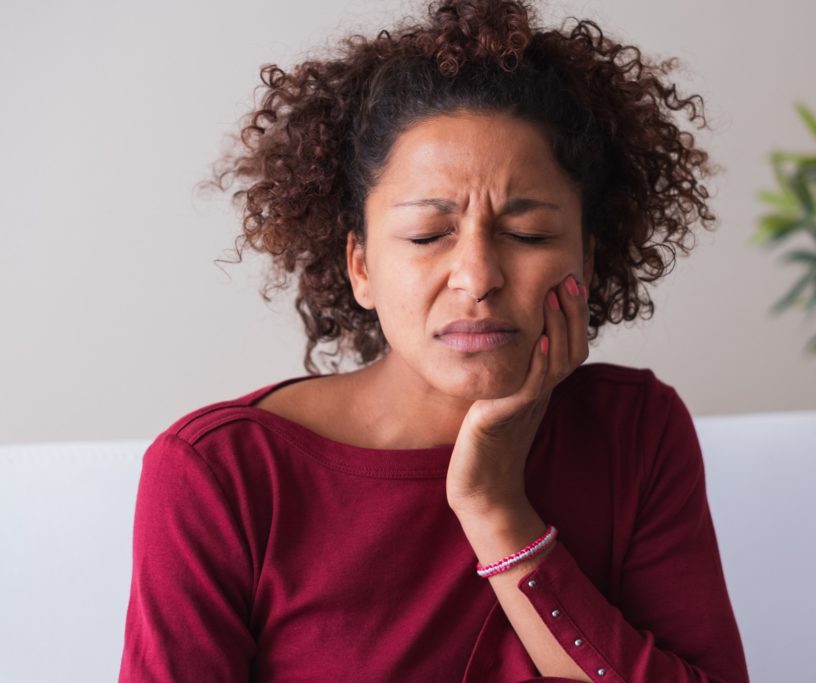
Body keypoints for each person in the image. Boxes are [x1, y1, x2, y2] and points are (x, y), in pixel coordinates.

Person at [118, 0, 749, 681]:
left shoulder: (634, 432)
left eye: (528, 233)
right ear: (360, 265)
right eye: (427, 235)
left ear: (587, 263)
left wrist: (496, 506)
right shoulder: (222, 477)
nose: (477, 278)